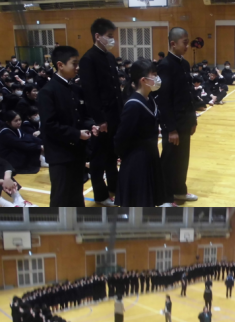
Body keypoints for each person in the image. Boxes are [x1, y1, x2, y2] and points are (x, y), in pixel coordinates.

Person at [38, 45, 99, 206]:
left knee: (76, 194)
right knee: (61, 197)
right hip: (60, 154)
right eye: (74, 63)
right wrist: (77, 134)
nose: (77, 68)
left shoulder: (75, 89)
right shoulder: (48, 92)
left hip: (77, 152)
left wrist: (92, 125)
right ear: (60, 65)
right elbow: (49, 125)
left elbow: (82, 116)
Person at [79, 17, 122, 206]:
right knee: (98, 158)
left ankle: (114, 185)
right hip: (101, 118)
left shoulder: (110, 57)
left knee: (112, 154)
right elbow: (90, 93)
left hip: (114, 115)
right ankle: (100, 194)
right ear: (97, 36)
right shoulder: (88, 59)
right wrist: (99, 119)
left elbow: (115, 89)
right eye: (109, 36)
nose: (112, 39)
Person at [114, 58, 165, 206]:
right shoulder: (133, 105)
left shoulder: (150, 99)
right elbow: (120, 138)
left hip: (151, 157)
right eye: (154, 75)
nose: (157, 78)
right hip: (136, 163)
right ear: (143, 80)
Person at [156, 27, 198, 202]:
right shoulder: (165, 65)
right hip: (173, 123)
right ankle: (165, 196)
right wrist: (171, 128)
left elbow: (188, 94)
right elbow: (164, 99)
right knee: (169, 160)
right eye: (185, 43)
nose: (187, 46)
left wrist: (193, 120)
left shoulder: (185, 64)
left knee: (182, 159)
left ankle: (180, 190)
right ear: (173, 44)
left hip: (185, 121)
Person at [0, 110, 42, 174]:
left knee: (31, 143)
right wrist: (39, 147)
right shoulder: (5, 133)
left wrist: (42, 143)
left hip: (17, 152)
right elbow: (21, 144)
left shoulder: (18, 129)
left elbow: (29, 137)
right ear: (8, 122)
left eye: (20, 120)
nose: (19, 122)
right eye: (16, 121)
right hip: (8, 159)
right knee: (28, 148)